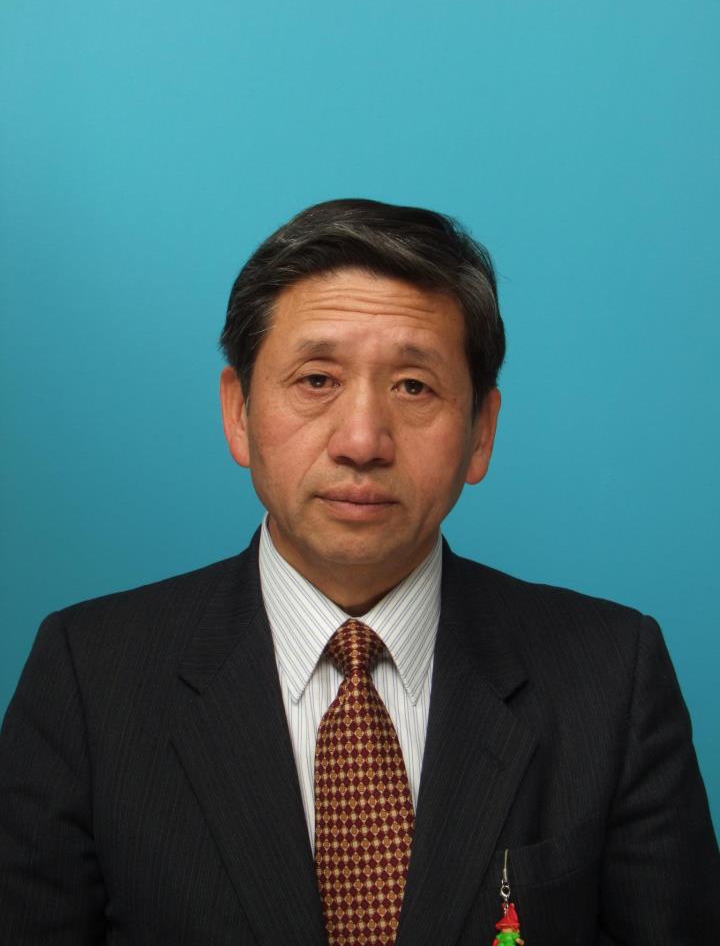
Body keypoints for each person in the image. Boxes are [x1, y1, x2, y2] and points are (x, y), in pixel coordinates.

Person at [0, 199, 717, 945]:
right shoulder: (88, 678)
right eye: (317, 379)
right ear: (238, 413)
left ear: (481, 431)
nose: (363, 440)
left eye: (413, 386)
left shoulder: (614, 676)